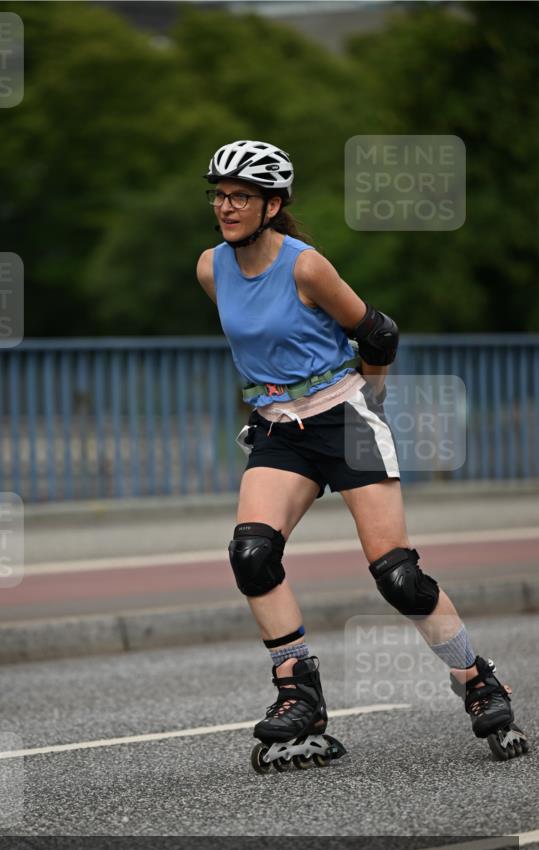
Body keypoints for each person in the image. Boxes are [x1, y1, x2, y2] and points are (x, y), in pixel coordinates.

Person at [196, 138, 527, 770]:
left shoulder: (306, 267)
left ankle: (476, 679)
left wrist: (369, 394)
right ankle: (298, 694)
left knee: (398, 576)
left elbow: (378, 332)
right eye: (219, 194)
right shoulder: (211, 268)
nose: (226, 206)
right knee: (252, 554)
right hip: (279, 428)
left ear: (272, 205)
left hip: (344, 419)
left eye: (241, 196)